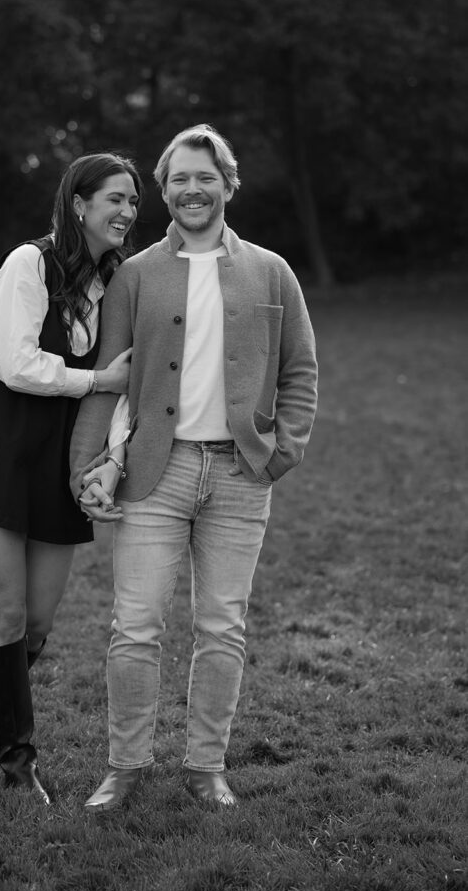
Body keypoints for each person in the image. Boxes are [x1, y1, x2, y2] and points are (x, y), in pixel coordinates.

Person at [70, 124, 318, 811]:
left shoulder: (271, 271)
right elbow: (109, 381)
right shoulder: (136, 275)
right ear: (164, 189)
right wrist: (88, 467)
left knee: (221, 628)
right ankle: (125, 766)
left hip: (240, 477)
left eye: (205, 177)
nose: (191, 189)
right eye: (178, 178)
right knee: (135, 626)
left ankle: (207, 766)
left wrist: (282, 451)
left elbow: (300, 371)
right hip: (155, 473)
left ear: (227, 185)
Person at [0, 152, 143, 804]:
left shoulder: (117, 282)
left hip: (60, 459)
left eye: (133, 201)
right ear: (78, 204)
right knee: (6, 611)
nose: (127, 211)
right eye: (115, 198)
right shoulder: (28, 264)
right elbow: (16, 365)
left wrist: (110, 456)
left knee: (38, 624)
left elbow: (125, 385)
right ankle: (18, 763)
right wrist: (98, 379)